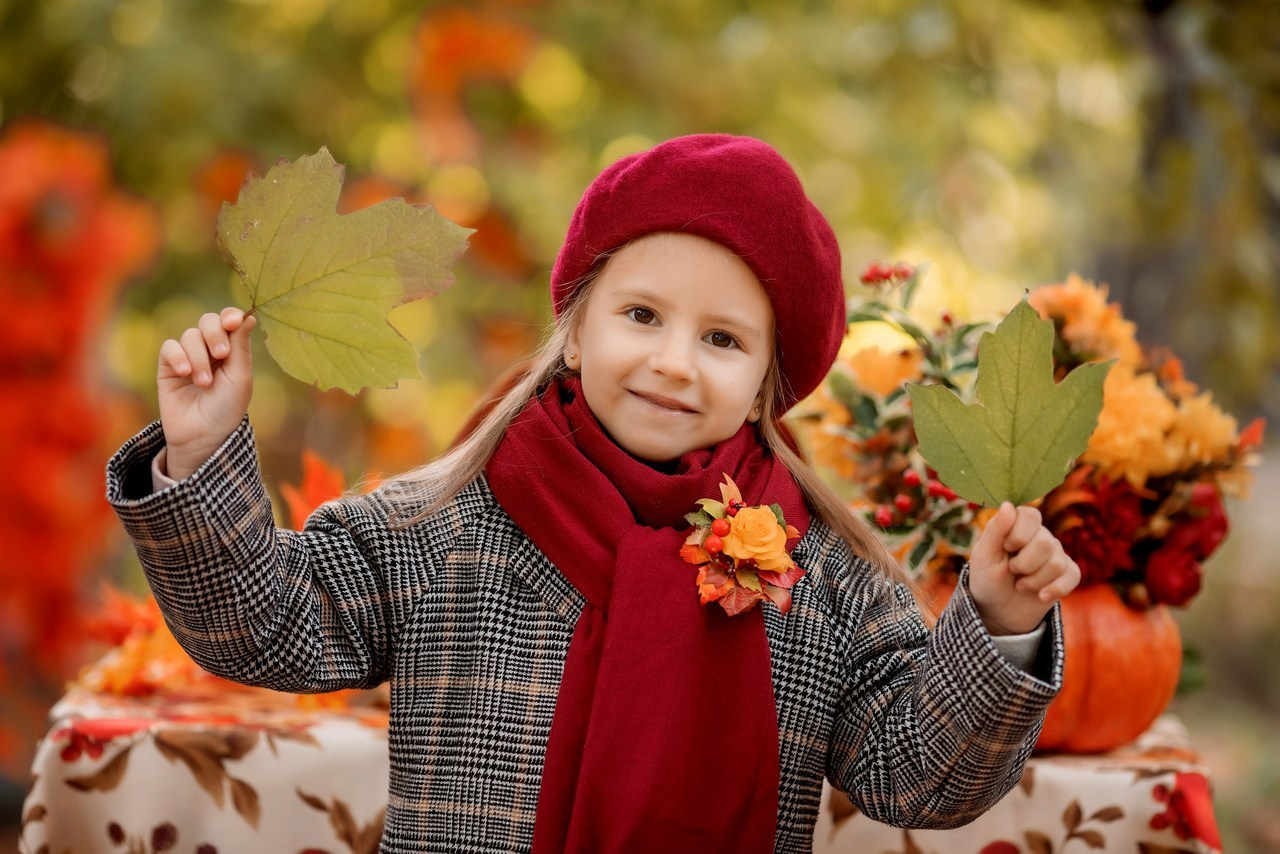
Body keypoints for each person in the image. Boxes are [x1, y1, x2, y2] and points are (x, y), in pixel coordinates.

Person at [108, 134, 1079, 854]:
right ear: (575, 330)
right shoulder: (443, 526)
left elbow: (914, 777)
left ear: (765, 384)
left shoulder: (821, 578)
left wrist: (999, 624)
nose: (672, 361)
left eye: (721, 338)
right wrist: (201, 452)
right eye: (642, 314)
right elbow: (267, 624)